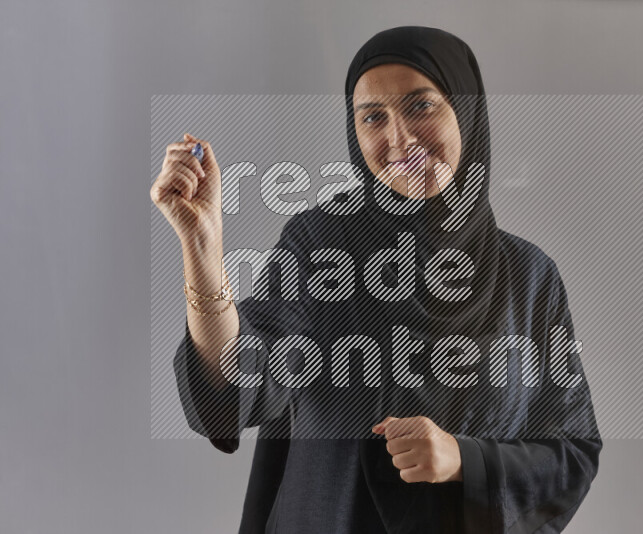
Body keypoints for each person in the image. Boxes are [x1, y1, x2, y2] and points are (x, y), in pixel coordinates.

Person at [151, 26, 602, 534]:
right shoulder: (323, 245)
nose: (400, 139)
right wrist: (203, 250)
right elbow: (238, 384)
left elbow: (571, 452)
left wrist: (462, 459)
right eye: (373, 117)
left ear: (466, 112)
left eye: (421, 107)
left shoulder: (528, 276)